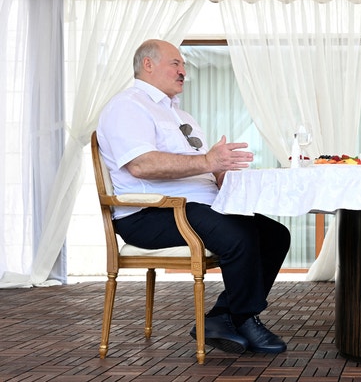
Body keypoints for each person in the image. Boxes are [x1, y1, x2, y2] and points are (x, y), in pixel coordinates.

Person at [96, 39, 291, 354]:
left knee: (275, 235)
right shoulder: (127, 107)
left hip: (196, 207)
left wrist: (220, 172)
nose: (183, 71)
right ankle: (244, 318)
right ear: (148, 64)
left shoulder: (180, 115)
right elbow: (141, 165)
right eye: (175, 63)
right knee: (238, 235)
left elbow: (200, 166)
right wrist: (208, 162)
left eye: (183, 65)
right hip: (150, 214)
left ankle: (221, 317)